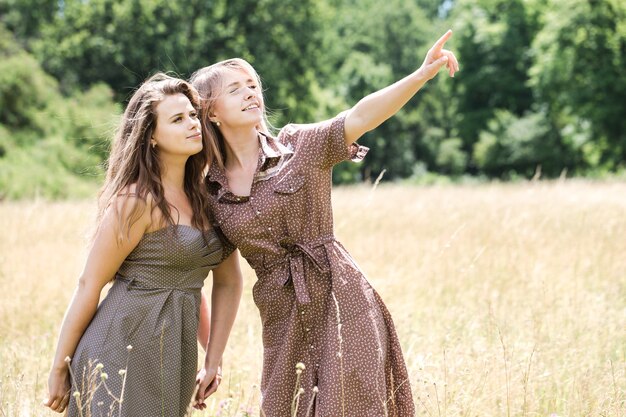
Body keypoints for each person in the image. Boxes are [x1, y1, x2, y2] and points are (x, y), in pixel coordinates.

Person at [190, 30, 459, 416]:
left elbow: (361, 115)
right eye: (235, 89)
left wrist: (419, 74)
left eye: (253, 85)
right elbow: (224, 280)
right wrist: (212, 360)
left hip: (342, 300)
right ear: (211, 113)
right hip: (281, 318)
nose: (251, 92)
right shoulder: (211, 192)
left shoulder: (299, 146)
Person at [42, 73, 243, 416]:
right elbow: (89, 284)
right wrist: (60, 367)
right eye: (177, 119)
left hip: (174, 356)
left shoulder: (211, 198)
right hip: (118, 349)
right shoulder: (137, 200)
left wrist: (213, 358)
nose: (193, 124)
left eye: (193, 115)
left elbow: (223, 281)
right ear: (151, 137)